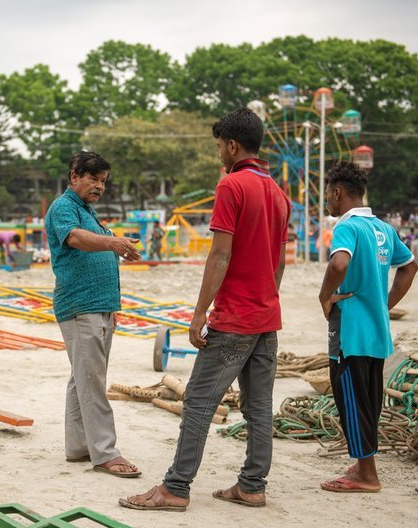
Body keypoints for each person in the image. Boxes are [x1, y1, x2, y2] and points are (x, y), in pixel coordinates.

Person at [122, 108, 290, 511]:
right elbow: (280, 261)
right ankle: (252, 485)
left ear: (232, 145)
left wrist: (199, 314)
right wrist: (266, 298)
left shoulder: (232, 186)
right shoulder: (279, 194)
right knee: (259, 408)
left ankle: (175, 488)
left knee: (198, 400)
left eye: (219, 145)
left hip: (234, 319)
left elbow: (219, 255)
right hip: (266, 318)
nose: (219, 152)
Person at [318, 161, 417, 493]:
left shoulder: (347, 227)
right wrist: (384, 305)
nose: (328, 202)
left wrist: (325, 294)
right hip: (377, 330)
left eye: (329, 195)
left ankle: (366, 476)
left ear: (337, 191)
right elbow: (410, 267)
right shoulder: (384, 229)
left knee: (350, 398)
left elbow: (340, 262)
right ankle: (363, 465)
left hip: (350, 331)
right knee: (369, 399)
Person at [44, 151, 142, 478]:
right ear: (74, 177)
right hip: (79, 306)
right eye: (93, 178)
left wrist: (111, 309)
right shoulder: (64, 208)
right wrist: (113, 243)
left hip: (99, 307)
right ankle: (105, 452)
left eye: (103, 181)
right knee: (93, 380)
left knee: (82, 378)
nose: (99, 186)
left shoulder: (88, 211)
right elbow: (74, 238)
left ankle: (79, 446)